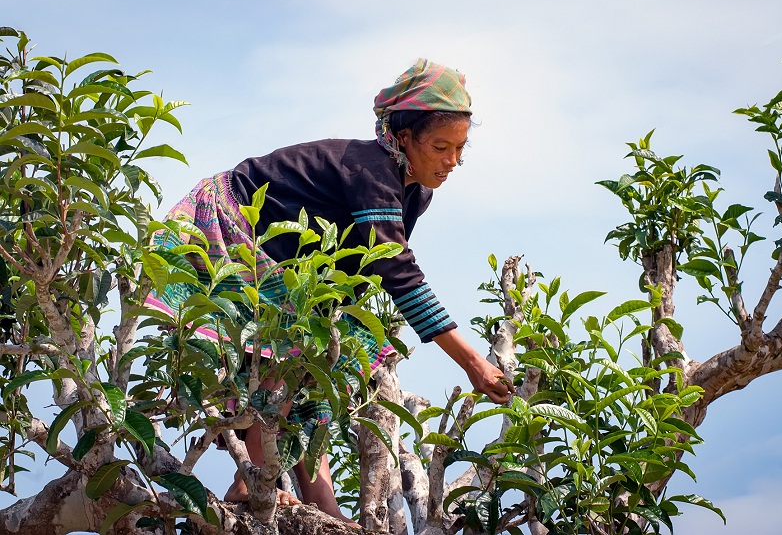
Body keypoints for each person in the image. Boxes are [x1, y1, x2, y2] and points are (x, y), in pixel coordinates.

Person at [146, 59, 514, 522]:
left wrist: (331, 330)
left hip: (298, 269)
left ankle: (320, 500)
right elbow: (399, 273)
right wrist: (473, 362)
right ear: (403, 137)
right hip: (233, 220)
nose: (452, 162)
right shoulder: (373, 172)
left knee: (315, 360)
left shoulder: (415, 190)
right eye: (441, 147)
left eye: (460, 149)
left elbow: (366, 267)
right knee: (276, 349)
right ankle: (252, 479)